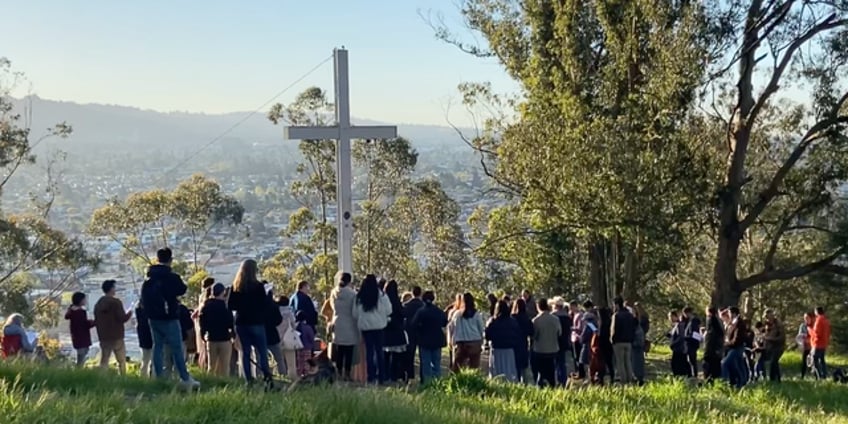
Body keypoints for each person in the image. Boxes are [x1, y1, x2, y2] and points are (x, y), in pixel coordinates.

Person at [140, 248, 199, 388]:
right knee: (177, 348)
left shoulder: (149, 278)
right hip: (169, 318)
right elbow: (182, 289)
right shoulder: (171, 277)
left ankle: (158, 376)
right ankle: (184, 378)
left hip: (153, 318)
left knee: (157, 346)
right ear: (170, 260)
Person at [228, 259, 274, 385]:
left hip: (242, 323)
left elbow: (231, 306)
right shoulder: (258, 287)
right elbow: (265, 306)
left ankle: (248, 380)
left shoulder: (236, 287)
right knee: (262, 353)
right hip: (256, 322)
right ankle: (267, 378)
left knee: (245, 353)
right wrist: (269, 295)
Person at [353, 274, 392, 384]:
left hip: (366, 327)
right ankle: (381, 377)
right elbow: (389, 310)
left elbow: (354, 314)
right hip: (379, 327)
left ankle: (371, 377)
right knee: (380, 352)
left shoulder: (359, 296)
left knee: (369, 352)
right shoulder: (381, 295)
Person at [94, 279, 132, 375]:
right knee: (121, 361)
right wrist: (130, 313)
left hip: (104, 336)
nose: (115, 290)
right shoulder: (116, 303)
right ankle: (123, 377)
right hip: (117, 335)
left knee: (104, 360)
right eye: (114, 287)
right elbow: (122, 318)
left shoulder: (98, 304)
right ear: (111, 289)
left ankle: (102, 379)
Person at [410, 290, 448, 383]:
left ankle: (427, 383)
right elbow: (444, 322)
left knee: (426, 363)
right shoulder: (438, 311)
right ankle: (437, 382)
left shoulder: (421, 311)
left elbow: (413, 325)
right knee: (436, 364)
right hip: (437, 339)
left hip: (424, 340)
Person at [199, 283, 234, 377]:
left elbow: (202, 322)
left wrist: (203, 334)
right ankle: (224, 384)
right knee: (225, 366)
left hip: (211, 338)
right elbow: (230, 323)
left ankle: (210, 382)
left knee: (211, 365)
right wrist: (233, 335)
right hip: (224, 338)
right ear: (223, 293)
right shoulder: (225, 307)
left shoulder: (206, 306)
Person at [449, 293, 485, 373]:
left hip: (461, 343)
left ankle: (457, 382)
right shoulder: (476, 314)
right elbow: (480, 329)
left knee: (457, 368)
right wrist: (482, 341)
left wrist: (453, 340)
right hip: (474, 342)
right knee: (474, 368)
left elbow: (454, 328)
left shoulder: (457, 314)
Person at [485, 300, 520, 382]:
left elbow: (488, 335)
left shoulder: (493, 321)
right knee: (509, 370)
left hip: (496, 349)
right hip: (509, 349)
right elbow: (517, 334)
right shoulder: (513, 321)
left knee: (496, 370)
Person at [532, 298, 561, 387]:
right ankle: (552, 384)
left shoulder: (536, 320)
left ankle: (541, 385)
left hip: (540, 349)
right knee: (551, 369)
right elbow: (559, 332)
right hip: (553, 348)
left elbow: (534, 335)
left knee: (541, 370)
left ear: (539, 307)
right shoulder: (555, 319)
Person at [382, 280, 408, 382]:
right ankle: (394, 376)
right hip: (397, 332)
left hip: (386, 331)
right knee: (396, 357)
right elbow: (403, 314)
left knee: (385, 356)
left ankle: (385, 375)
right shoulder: (397, 302)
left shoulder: (384, 301)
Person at [65, 292, 95, 367]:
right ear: (80, 300)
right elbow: (84, 324)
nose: (86, 301)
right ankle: (78, 371)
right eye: (84, 299)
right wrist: (94, 322)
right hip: (82, 336)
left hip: (77, 337)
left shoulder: (72, 311)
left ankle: (79, 370)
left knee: (82, 354)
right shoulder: (80, 312)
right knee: (82, 356)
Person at [610, 297, 636, 384]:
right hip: (628, 341)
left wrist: (612, 339)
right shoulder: (629, 315)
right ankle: (630, 380)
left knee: (620, 362)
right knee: (628, 361)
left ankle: (623, 381)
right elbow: (633, 327)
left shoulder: (616, 315)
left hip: (618, 341)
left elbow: (614, 329)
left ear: (617, 305)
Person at [402, 285, 425, 382]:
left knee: (409, 355)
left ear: (412, 293)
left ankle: (409, 374)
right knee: (422, 355)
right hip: (421, 332)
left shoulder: (407, 305)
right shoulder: (424, 306)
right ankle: (422, 376)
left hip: (409, 331)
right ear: (420, 293)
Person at [722, 306, 748, 388]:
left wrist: (726, 344)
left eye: (729, 313)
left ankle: (724, 383)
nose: (728, 315)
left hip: (737, 347)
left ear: (734, 313)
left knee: (724, 364)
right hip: (733, 347)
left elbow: (736, 340)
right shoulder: (733, 322)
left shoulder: (739, 323)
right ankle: (742, 383)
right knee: (739, 366)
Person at [511, 298, 535, 384]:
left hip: (514, 344)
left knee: (515, 366)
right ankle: (525, 383)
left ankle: (516, 383)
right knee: (524, 367)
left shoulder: (512, 318)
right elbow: (531, 332)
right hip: (524, 343)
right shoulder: (527, 318)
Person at [194, 277, 216, 371]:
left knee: (203, 347)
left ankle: (203, 365)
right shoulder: (207, 296)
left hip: (200, 324)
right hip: (208, 324)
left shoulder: (201, 296)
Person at [263, 287, 285, 376]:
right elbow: (279, 320)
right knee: (279, 358)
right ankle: (283, 374)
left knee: (261, 357)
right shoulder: (274, 306)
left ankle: (262, 375)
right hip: (273, 334)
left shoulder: (259, 306)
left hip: (262, 334)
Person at [276, 295, 298, 380]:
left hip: (278, 338)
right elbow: (293, 324)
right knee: (291, 361)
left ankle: (281, 375)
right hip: (289, 338)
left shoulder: (276, 311)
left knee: (279, 360)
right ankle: (292, 376)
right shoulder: (289, 312)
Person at [551, 297, 572, 386]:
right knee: (562, 362)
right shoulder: (567, 316)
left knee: (555, 362)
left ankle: (556, 380)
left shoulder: (554, 316)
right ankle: (563, 380)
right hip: (564, 341)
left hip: (555, 341)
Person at [702, 306, 725, 383]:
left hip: (711, 348)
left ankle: (709, 380)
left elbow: (714, 334)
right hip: (715, 349)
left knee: (709, 365)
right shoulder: (717, 321)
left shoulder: (711, 320)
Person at [810, 306, 831, 379]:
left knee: (815, 360)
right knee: (822, 360)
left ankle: (819, 376)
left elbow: (817, 333)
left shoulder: (818, 320)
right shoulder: (826, 321)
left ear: (816, 312)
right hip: (824, 343)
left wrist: (810, 331)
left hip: (817, 344)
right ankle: (824, 375)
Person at [681, 307, 702, 377]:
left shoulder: (693, 321)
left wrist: (685, 337)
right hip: (690, 343)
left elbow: (694, 333)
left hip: (692, 343)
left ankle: (694, 374)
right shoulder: (690, 321)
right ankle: (691, 374)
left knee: (692, 360)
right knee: (689, 359)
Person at [295, 310, 316, 377]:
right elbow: (311, 338)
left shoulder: (295, 327)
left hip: (298, 348)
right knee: (306, 363)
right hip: (307, 348)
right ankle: (306, 375)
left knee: (299, 363)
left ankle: (299, 375)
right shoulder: (308, 327)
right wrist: (313, 346)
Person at [668, 310, 688, 377]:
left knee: (677, 365)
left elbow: (681, 337)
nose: (670, 318)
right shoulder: (675, 326)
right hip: (676, 349)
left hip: (679, 349)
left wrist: (673, 343)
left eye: (671, 316)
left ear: (675, 316)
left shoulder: (680, 325)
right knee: (675, 365)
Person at [135, 301, 153, 377]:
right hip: (151, 337)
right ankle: (153, 376)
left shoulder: (138, 309)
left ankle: (143, 375)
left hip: (143, 338)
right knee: (154, 359)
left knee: (145, 359)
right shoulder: (150, 311)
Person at [597, 307, 615, 383]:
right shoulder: (610, 322)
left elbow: (601, 335)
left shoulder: (602, 324)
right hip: (609, 345)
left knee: (602, 362)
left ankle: (601, 378)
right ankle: (612, 376)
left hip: (603, 345)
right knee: (609, 362)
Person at [631, 305, 647, 385]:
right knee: (638, 364)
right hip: (638, 346)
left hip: (637, 347)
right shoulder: (639, 327)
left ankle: (638, 378)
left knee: (636, 364)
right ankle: (639, 378)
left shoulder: (638, 327)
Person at [570, 300, 585, 379]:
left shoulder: (579, 315)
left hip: (577, 338)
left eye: (572, 307)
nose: (571, 309)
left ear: (575, 306)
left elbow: (580, 328)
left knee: (579, 356)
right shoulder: (575, 315)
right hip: (574, 338)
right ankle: (578, 371)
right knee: (576, 356)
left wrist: (572, 328)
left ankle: (581, 373)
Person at [797, 312, 814, 379]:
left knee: (813, 361)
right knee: (804, 361)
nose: (806, 319)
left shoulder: (814, 325)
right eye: (804, 318)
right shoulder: (802, 326)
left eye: (807, 318)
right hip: (805, 346)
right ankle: (802, 375)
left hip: (813, 346)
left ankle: (815, 375)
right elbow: (800, 335)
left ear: (811, 318)